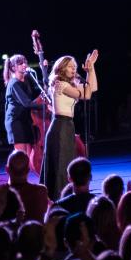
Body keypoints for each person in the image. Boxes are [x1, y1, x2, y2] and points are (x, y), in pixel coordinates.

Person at [42, 50, 99, 200]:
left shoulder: (70, 84)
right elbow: (86, 95)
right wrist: (88, 75)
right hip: (60, 126)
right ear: (62, 68)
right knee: (61, 165)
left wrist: (91, 67)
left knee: (66, 163)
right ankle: (58, 199)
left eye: (75, 66)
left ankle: (64, 197)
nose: (74, 69)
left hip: (67, 126)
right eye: (70, 66)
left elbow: (92, 88)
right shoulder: (60, 84)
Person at [4, 54, 47, 167]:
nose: (24, 65)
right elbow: (27, 103)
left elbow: (40, 91)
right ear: (13, 68)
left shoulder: (28, 78)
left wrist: (44, 70)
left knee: (28, 159)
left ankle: (22, 181)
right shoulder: (13, 84)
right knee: (21, 157)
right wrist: (45, 107)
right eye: (20, 63)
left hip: (26, 120)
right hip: (16, 121)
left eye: (25, 62)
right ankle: (15, 181)